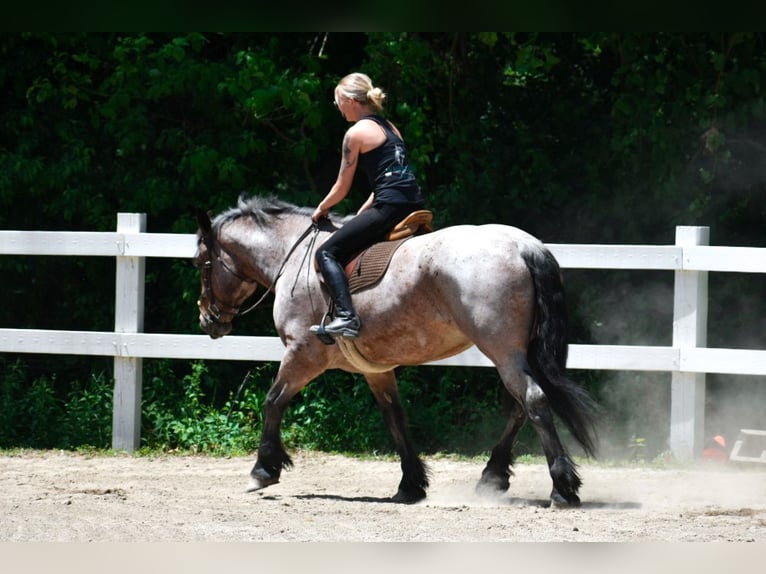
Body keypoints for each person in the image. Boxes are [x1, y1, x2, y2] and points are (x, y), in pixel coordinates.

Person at [309, 72, 425, 339]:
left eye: (338, 101)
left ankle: (347, 317)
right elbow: (388, 180)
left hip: (390, 207)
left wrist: (321, 209)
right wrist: (362, 214)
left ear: (350, 100)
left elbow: (341, 186)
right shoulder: (391, 127)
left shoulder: (356, 133)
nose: (338, 107)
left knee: (326, 253)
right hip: (411, 203)